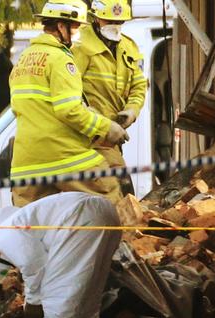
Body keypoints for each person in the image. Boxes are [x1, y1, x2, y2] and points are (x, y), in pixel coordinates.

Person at [9, 0, 129, 207]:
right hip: (64, 156)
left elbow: (32, 108)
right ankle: (123, 240)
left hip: (26, 164)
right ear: (60, 26)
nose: (79, 33)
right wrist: (107, 127)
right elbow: (68, 110)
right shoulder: (61, 59)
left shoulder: (23, 59)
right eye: (76, 27)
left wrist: (86, 111)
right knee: (110, 199)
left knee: (34, 226)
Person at [72, 0, 147, 197]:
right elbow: (71, 94)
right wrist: (99, 122)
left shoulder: (129, 47)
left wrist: (132, 110)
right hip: (88, 138)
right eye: (108, 21)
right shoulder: (79, 46)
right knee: (117, 193)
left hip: (113, 139)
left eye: (120, 22)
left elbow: (139, 85)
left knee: (121, 192)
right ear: (96, 18)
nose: (115, 27)